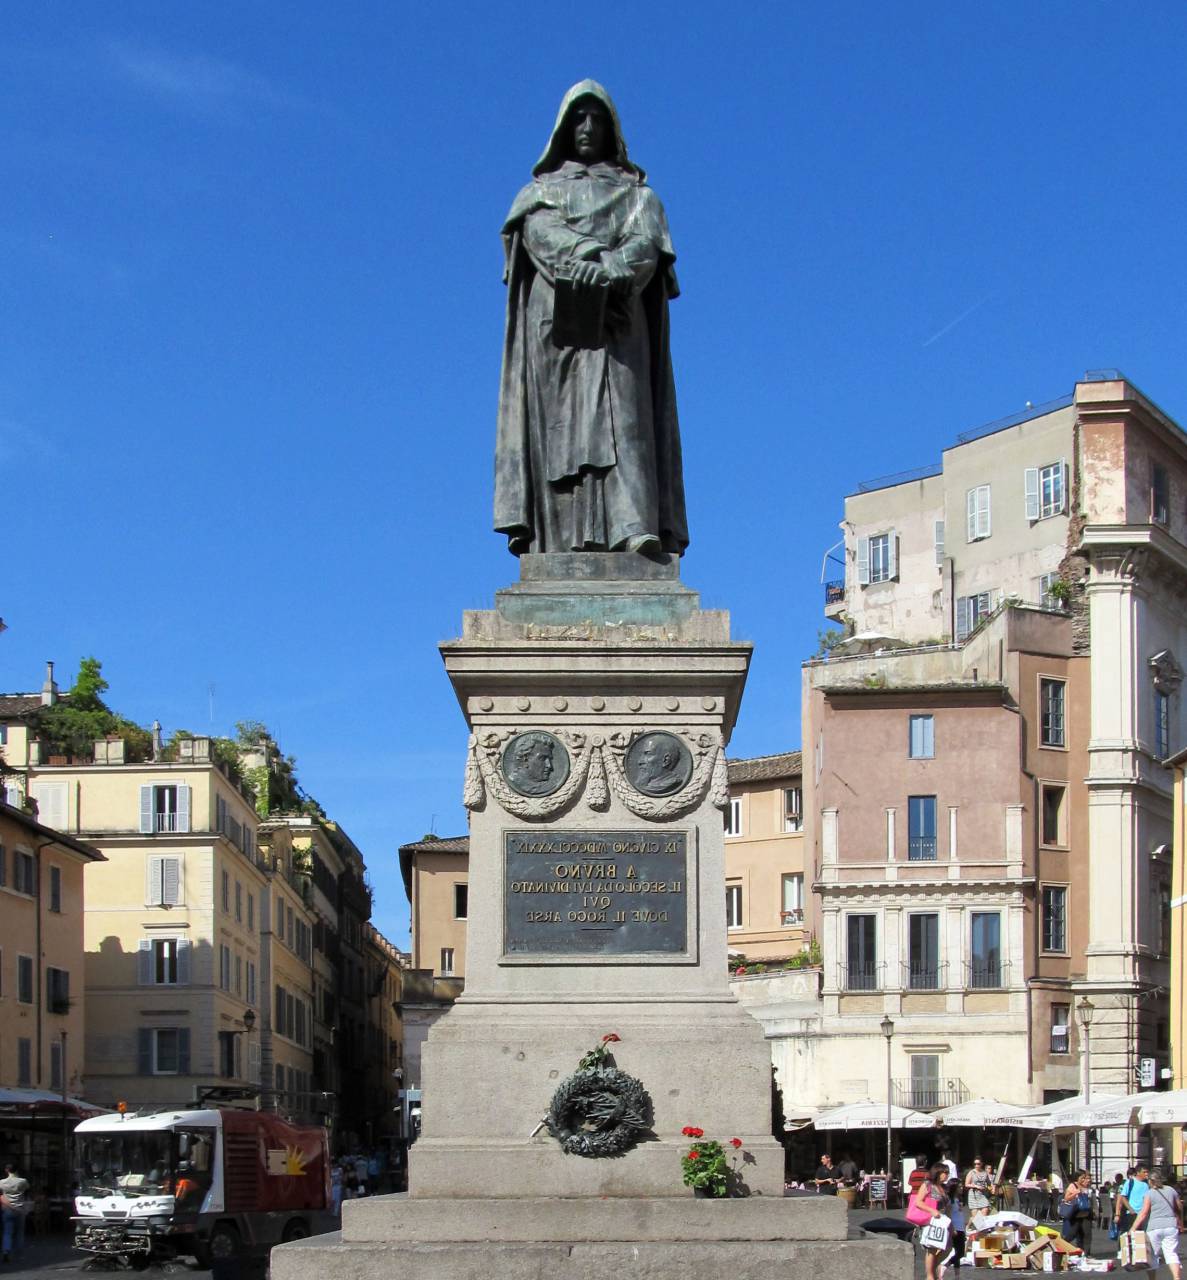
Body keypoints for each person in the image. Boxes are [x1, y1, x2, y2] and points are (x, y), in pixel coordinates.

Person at [494, 80, 688, 558]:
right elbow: (538, 233)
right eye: (577, 118)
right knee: (563, 431)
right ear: (563, 128)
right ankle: (558, 540)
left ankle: (633, 525)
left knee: (627, 419)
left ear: (611, 129)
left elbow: (647, 245)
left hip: (619, 317)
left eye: (595, 118)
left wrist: (613, 269)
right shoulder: (538, 193)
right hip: (558, 328)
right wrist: (586, 253)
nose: (586, 128)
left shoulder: (640, 197)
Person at [1132, 1170, 1182, 1280]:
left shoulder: (1149, 1193)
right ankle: (1176, 1278)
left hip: (1154, 1227)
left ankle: (1152, 1279)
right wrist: (1179, 1221)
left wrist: (1133, 1228)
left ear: (1150, 1181)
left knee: (1152, 1256)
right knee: (1171, 1254)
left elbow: (1143, 1213)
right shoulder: (1171, 1190)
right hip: (1171, 1226)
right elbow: (1179, 1207)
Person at [913, 1164, 952, 1280]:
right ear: (937, 1173)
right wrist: (932, 1210)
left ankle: (932, 1270)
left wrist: (951, 1225)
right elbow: (918, 1202)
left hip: (943, 1223)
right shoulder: (928, 1185)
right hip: (931, 1222)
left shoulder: (944, 1188)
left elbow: (948, 1207)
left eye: (947, 1172)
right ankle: (930, 1276)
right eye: (944, 1172)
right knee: (932, 1248)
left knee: (948, 1248)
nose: (947, 1175)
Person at [0, 1163, 31, 1264]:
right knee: (19, 1232)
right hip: (19, 1209)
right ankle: (19, 1254)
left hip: (7, 1209)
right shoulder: (22, 1181)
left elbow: (1, 1195)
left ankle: (6, 1251)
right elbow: (26, 1189)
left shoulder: (2, 1182)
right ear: (17, 1170)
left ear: (7, 1170)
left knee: (7, 1232)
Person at [1059, 1168, 1094, 1251]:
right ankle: (1061, 1246)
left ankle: (1086, 1253)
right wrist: (1076, 1192)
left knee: (1087, 1233)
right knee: (1073, 1233)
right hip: (1076, 1213)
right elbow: (1066, 1198)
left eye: (1085, 1178)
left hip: (1086, 1213)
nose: (1084, 1180)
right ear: (1077, 1177)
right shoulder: (1073, 1185)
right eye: (1082, 1178)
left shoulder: (1086, 1186)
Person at [1116, 1163, 1150, 1235]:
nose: (1146, 1174)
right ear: (1138, 1173)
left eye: (1147, 1172)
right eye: (1144, 1172)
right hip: (1132, 1214)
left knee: (1140, 1237)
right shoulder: (1130, 1182)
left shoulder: (1146, 1185)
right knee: (1130, 1235)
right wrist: (1130, 1209)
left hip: (1142, 1214)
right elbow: (1123, 1197)